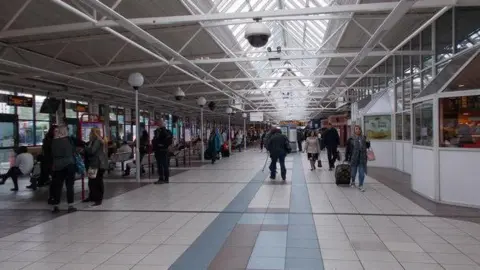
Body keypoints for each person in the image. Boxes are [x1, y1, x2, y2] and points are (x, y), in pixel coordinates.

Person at [49, 125, 76, 213]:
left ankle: (56, 206)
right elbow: (71, 152)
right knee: (69, 186)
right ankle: (70, 205)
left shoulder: (54, 141)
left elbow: (52, 154)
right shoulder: (67, 141)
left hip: (57, 166)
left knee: (58, 186)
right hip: (69, 164)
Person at [83, 128, 108, 206]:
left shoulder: (97, 141)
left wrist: (84, 147)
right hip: (93, 164)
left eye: (91, 132)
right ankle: (92, 196)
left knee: (97, 182)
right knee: (91, 182)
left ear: (94, 133)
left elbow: (92, 151)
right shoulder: (93, 141)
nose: (89, 134)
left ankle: (98, 199)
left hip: (97, 164)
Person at [348, 125, 370, 192]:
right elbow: (348, 149)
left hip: (362, 158)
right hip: (354, 158)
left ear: (361, 130)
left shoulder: (363, 138)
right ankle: (353, 181)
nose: (358, 130)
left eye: (359, 129)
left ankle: (360, 185)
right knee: (353, 172)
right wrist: (347, 157)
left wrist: (367, 140)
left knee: (361, 173)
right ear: (354, 130)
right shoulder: (351, 139)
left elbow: (368, 146)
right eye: (356, 129)